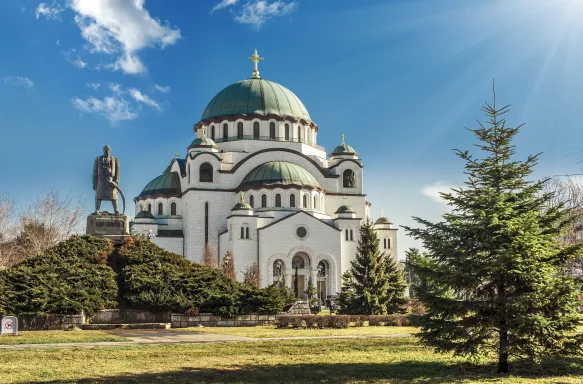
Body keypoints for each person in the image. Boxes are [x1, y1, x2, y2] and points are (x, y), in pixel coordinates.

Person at [93, 145, 120, 214]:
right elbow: (95, 171)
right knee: (99, 196)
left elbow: (117, 171)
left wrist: (116, 181)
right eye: (105, 149)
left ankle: (116, 210)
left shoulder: (114, 159)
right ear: (103, 150)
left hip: (111, 181)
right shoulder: (98, 159)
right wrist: (94, 183)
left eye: (108, 149)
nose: (107, 151)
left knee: (114, 196)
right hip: (101, 181)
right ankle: (97, 209)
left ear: (110, 150)